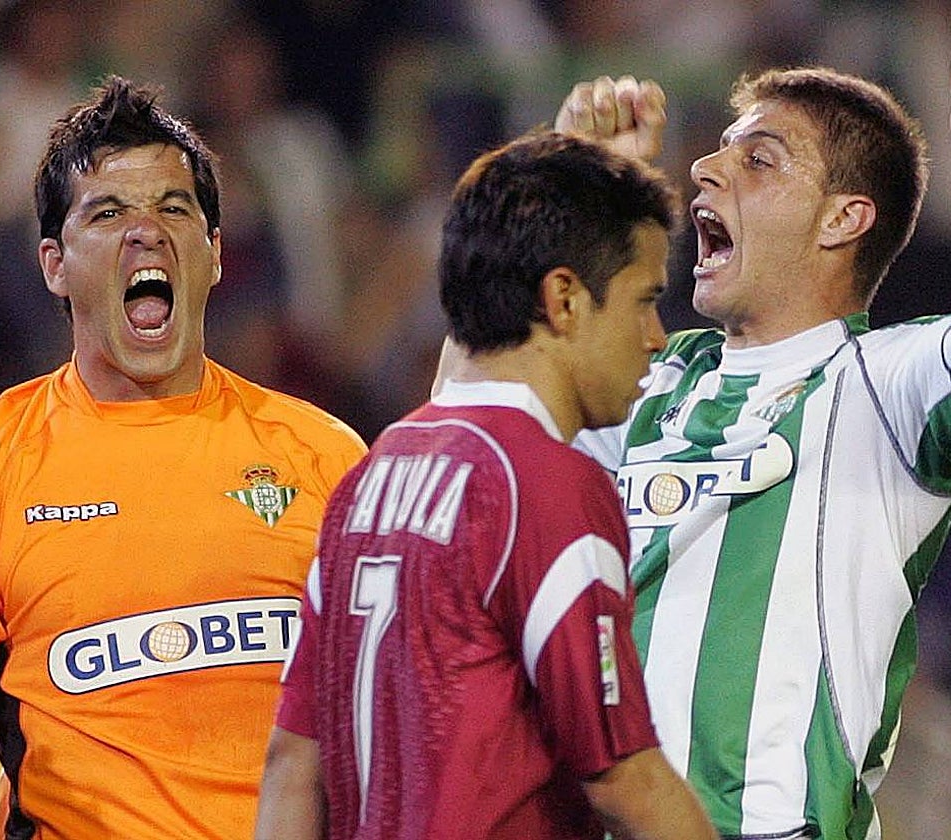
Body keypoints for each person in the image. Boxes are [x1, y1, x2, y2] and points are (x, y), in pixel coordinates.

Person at [552, 42, 951, 838]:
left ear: (843, 218)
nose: (706, 171)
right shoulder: (650, 376)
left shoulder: (882, 386)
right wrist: (583, 195)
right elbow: (477, 409)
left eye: (758, 159)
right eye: (719, 150)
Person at [0, 76, 366, 838]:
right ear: (54, 265)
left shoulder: (327, 459)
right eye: (108, 211)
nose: (146, 231)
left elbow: (385, 720)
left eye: (174, 208)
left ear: (215, 253)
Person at [255, 130, 717, 840]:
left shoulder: (369, 477)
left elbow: (292, 761)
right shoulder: (547, 485)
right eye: (643, 299)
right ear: (564, 298)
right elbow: (628, 778)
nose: (656, 335)